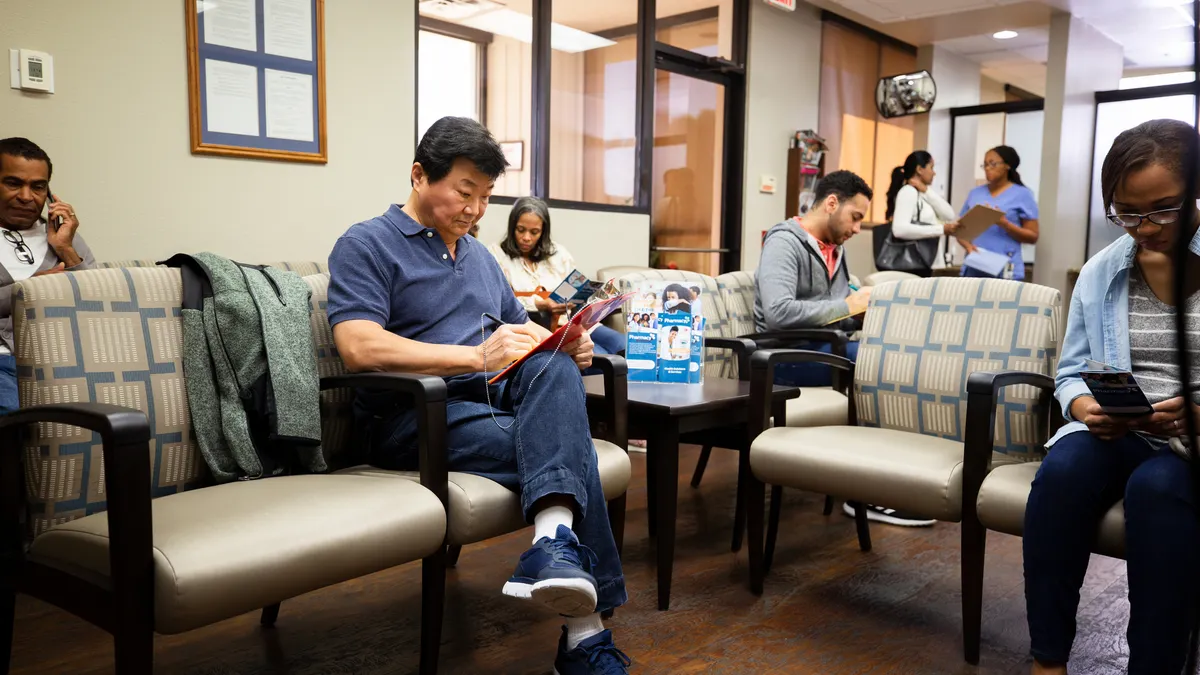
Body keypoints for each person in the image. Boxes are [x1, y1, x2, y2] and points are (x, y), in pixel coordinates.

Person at [327, 117, 630, 674]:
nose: (475, 209)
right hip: (416, 414)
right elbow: (358, 346)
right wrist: (473, 358)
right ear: (419, 175)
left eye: (486, 197)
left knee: (554, 368)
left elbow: (526, 337)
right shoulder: (367, 243)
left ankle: (552, 545)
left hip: (492, 400)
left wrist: (570, 345)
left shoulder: (478, 255)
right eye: (465, 192)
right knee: (569, 448)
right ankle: (585, 637)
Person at [1025, 118, 1200, 675]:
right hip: (1122, 431)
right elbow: (1072, 371)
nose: (1144, 227)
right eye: (1127, 213)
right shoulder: (1103, 271)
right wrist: (1084, 408)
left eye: (1164, 208)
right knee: (1063, 469)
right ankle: (1048, 658)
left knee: (1158, 488)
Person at [754, 169, 935, 529]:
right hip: (783, 358)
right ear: (831, 203)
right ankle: (868, 493)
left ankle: (908, 480)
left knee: (901, 357)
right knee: (882, 370)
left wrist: (868, 318)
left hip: (823, 349)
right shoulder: (784, 242)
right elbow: (778, 313)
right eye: (855, 217)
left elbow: (837, 313)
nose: (857, 228)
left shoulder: (835, 250)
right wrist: (850, 308)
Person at [0, 138, 95, 414]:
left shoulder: (64, 237)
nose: (27, 197)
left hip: (64, 361)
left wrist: (65, 247)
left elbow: (96, 302)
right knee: (20, 421)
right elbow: (32, 292)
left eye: (38, 187)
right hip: (4, 362)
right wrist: (32, 290)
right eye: (13, 183)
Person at [487, 196, 625, 356]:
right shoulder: (495, 254)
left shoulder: (559, 254)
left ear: (543, 231)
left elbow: (577, 287)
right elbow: (499, 303)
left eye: (534, 232)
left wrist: (592, 299)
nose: (526, 237)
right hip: (538, 329)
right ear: (512, 227)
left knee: (624, 346)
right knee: (602, 357)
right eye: (520, 229)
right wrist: (540, 304)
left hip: (572, 324)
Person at [956, 145, 1039, 279]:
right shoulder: (975, 194)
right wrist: (968, 247)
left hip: (1006, 270)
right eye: (985, 165)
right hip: (974, 267)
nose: (988, 168)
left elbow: (1033, 236)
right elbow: (960, 231)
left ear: (1007, 166)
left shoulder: (1023, 195)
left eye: (993, 164)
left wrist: (1004, 223)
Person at [884, 150, 961, 277]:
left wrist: (926, 191)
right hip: (915, 266)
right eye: (931, 167)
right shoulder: (908, 192)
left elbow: (949, 215)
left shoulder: (923, 194)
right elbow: (899, 230)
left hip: (928, 263)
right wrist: (941, 229)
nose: (934, 172)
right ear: (920, 169)